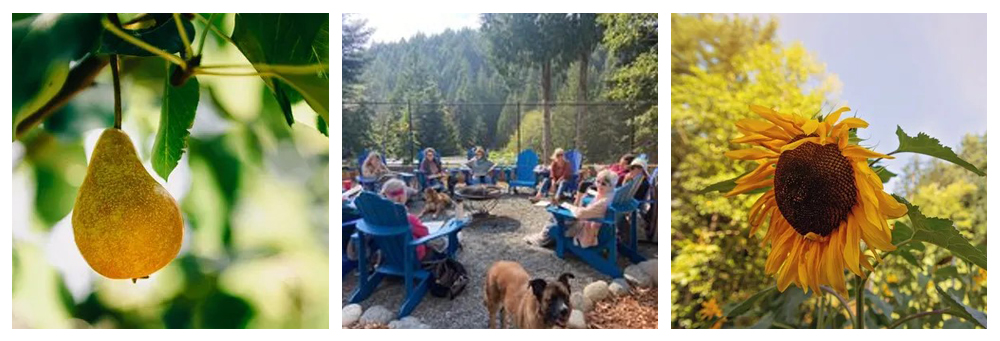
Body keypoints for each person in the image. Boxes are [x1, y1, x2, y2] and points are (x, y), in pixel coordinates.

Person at [526, 169, 618, 247]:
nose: (599, 185)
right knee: (557, 216)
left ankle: (542, 239)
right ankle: (544, 237)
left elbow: (581, 214)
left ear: (611, 185)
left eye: (603, 184)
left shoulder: (603, 201)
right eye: (598, 181)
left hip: (588, 232)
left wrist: (568, 206)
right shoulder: (612, 194)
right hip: (597, 225)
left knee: (555, 217)